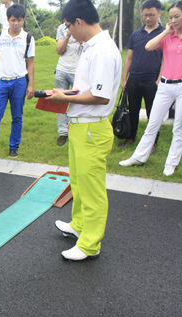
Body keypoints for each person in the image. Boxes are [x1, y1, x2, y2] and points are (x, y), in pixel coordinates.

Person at [46, 0, 121, 261]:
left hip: (92, 127)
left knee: (92, 189)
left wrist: (62, 98)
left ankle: (90, 245)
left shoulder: (102, 50)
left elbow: (100, 96)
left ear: (79, 21)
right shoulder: (91, 47)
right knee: (77, 182)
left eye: (68, 26)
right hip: (80, 126)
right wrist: (63, 94)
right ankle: (79, 225)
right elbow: (88, 89)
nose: (69, 33)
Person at [119, 1, 182, 176]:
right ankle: (139, 156)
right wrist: (167, 31)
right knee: (152, 123)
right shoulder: (167, 36)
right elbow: (148, 46)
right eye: (171, 17)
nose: (173, 20)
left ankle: (171, 163)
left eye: (177, 16)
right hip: (165, 85)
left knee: (179, 127)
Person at [0, 4, 35, 159]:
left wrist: (31, 85)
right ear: (8, 20)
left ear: (23, 20)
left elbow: (30, 62)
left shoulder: (28, 38)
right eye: (13, 20)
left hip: (19, 82)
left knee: (17, 116)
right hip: (1, 82)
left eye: (19, 20)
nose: (16, 23)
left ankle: (13, 147)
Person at [119, 0, 164, 149]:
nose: (148, 18)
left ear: (159, 13)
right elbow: (129, 58)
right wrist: (125, 79)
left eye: (151, 15)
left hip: (152, 80)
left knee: (153, 113)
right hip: (135, 79)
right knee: (133, 110)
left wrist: (159, 79)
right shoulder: (136, 35)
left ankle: (153, 142)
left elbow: (166, 59)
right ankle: (130, 137)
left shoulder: (164, 34)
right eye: (145, 15)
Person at [54, 21, 82, 146]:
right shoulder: (61, 28)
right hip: (62, 70)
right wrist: (68, 35)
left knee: (78, 102)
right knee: (60, 102)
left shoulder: (83, 26)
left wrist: (76, 33)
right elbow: (59, 50)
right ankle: (62, 132)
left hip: (78, 71)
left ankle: (77, 130)